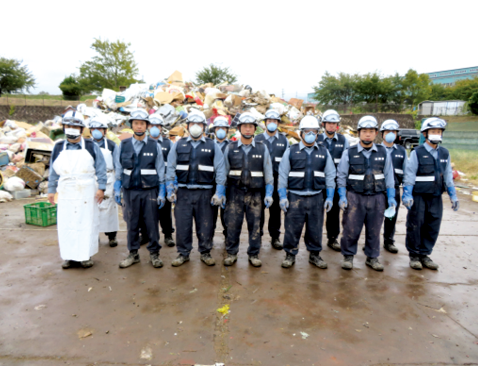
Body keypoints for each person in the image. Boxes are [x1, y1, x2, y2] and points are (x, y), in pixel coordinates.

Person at [166, 110, 227, 267]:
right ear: (187, 126)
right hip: (183, 192)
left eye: (199, 124)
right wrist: (170, 188)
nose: (195, 127)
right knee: (182, 224)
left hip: (205, 193)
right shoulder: (178, 144)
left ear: (204, 127)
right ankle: (183, 253)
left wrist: (219, 192)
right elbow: (171, 167)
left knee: (206, 224)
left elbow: (220, 170)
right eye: (192, 124)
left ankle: (205, 252)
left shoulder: (212, 145)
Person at [48, 110, 107, 269]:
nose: (71, 129)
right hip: (66, 190)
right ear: (63, 127)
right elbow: (53, 170)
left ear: (81, 129)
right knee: (67, 224)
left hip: (86, 190)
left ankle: (85, 255)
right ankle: (69, 256)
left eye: (75, 126)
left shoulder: (91, 146)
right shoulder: (58, 146)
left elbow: (101, 168)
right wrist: (51, 189)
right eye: (68, 125)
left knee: (86, 223)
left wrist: (101, 188)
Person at [336, 116, 396, 271]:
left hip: (377, 197)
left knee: (374, 229)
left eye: (371, 131)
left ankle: (372, 258)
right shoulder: (349, 152)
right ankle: (348, 256)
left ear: (376, 133)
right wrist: (342, 196)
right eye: (364, 131)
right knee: (350, 228)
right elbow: (341, 176)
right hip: (355, 197)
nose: (367, 134)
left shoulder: (384, 152)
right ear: (359, 133)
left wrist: (391, 197)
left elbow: (389, 176)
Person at [278, 116, 337, 268]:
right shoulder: (291, 151)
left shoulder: (324, 152)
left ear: (318, 134)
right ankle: (290, 254)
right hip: (295, 197)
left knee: (315, 228)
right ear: (301, 133)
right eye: (307, 131)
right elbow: (283, 174)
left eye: (314, 131)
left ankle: (314, 255)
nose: (310, 134)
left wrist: (330, 196)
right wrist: (283, 196)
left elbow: (330, 174)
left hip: (316, 197)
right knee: (292, 228)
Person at [402, 117, 459, 270]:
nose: (436, 134)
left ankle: (424, 254)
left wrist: (453, 195)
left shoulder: (445, 154)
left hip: (435, 196)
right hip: (419, 196)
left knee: (432, 225)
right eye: (433, 131)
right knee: (416, 225)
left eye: (439, 131)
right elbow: (409, 175)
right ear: (425, 134)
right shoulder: (417, 152)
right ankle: (414, 255)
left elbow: (448, 176)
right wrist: (407, 194)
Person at [114, 109, 166, 269]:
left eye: (142, 123)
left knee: (151, 223)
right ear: (132, 125)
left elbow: (160, 169)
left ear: (147, 126)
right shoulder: (123, 145)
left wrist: (162, 191)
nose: (139, 126)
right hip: (130, 191)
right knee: (132, 223)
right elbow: (118, 168)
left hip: (150, 190)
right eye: (136, 123)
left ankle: (154, 254)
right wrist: (117, 188)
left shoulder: (154, 145)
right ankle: (133, 254)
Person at [223, 112, 274, 267]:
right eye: (244, 126)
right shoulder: (230, 147)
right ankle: (231, 253)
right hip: (234, 193)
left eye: (250, 126)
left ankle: (253, 254)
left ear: (254, 129)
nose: (247, 129)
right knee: (232, 224)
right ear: (239, 128)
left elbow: (268, 172)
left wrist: (269, 193)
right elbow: (223, 173)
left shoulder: (262, 148)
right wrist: (221, 193)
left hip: (255, 194)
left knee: (255, 226)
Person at [254, 109, 289, 249]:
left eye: (275, 121)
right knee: (258, 210)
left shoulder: (283, 140)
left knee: (275, 211)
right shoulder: (257, 139)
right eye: (269, 121)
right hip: (259, 181)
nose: (272, 123)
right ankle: (258, 236)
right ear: (265, 123)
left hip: (277, 180)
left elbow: (287, 162)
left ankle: (275, 237)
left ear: (278, 123)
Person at [316, 109, 349, 252]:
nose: (331, 126)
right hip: (318, 182)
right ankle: (315, 239)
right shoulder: (316, 139)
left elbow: (347, 162)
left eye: (334, 124)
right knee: (316, 213)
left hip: (335, 183)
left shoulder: (343, 140)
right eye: (329, 123)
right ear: (323, 124)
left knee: (334, 212)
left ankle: (332, 238)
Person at [89, 117, 120, 247]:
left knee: (109, 209)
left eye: (99, 129)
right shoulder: (86, 145)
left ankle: (111, 236)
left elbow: (118, 164)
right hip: (92, 179)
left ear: (105, 131)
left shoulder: (112, 145)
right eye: (93, 129)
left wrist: (118, 182)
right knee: (92, 209)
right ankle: (94, 235)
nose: (96, 131)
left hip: (109, 179)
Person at [379, 120, 408, 253]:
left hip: (395, 188)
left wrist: (407, 191)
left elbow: (407, 172)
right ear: (382, 134)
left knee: (391, 217)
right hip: (378, 190)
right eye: (387, 132)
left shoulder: (401, 151)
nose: (391, 134)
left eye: (393, 132)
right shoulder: (376, 150)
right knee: (374, 218)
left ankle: (389, 241)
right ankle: (371, 241)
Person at [148, 114, 175, 247]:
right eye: (152, 125)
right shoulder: (144, 142)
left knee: (165, 211)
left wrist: (171, 183)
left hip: (164, 182)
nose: (154, 128)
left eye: (157, 126)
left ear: (161, 128)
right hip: (148, 182)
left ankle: (168, 235)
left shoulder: (168, 143)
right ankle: (146, 235)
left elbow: (172, 164)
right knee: (147, 211)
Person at [209, 116, 231, 239]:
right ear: (214, 130)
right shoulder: (209, 145)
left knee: (227, 215)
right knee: (209, 215)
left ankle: (228, 237)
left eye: (223, 128)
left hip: (228, 185)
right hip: (211, 184)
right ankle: (209, 237)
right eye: (218, 128)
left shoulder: (232, 146)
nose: (221, 130)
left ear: (227, 130)